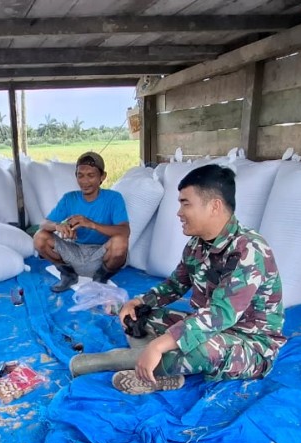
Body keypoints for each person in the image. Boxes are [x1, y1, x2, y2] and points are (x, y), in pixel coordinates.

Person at [70, 164, 285, 394]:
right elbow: (174, 285)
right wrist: (139, 303)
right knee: (140, 316)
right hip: (207, 327)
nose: (179, 212)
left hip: (247, 344)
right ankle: (160, 372)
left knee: (200, 349)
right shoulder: (197, 244)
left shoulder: (249, 250)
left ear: (214, 206)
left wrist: (159, 345)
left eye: (185, 204)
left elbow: (219, 316)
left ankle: (120, 361)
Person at [33, 151, 130, 292]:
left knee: (120, 242)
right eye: (80, 175)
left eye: (91, 175)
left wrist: (91, 224)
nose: (85, 181)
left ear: (102, 177)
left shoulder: (113, 198)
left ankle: (101, 277)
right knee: (40, 236)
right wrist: (58, 226)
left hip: (102, 255)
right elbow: (43, 223)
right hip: (75, 253)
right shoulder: (69, 198)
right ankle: (67, 273)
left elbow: (125, 231)